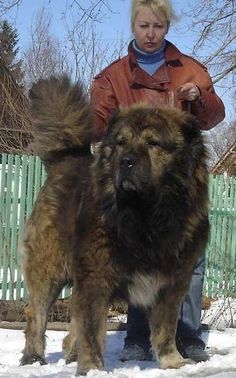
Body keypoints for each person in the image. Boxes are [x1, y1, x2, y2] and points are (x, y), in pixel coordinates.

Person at [90, 0, 225, 364]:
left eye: (158, 27)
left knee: (190, 258)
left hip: (180, 180)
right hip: (136, 175)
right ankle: (136, 337)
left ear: (167, 28)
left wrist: (201, 98)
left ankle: (188, 333)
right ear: (133, 27)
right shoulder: (113, 76)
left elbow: (214, 117)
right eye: (144, 26)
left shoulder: (190, 69)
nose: (151, 34)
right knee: (136, 253)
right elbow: (98, 123)